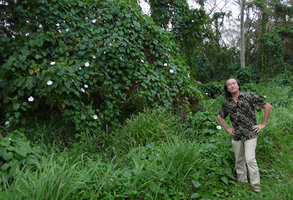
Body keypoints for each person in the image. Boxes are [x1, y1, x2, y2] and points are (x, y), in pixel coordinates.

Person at [217, 77, 272, 193]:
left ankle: (256, 186)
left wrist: (263, 124)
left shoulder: (249, 96)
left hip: (250, 134)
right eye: (229, 85)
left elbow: (267, 106)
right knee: (239, 160)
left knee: (250, 159)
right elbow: (219, 116)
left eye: (234, 83)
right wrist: (227, 128)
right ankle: (242, 182)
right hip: (236, 135)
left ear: (238, 85)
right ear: (227, 89)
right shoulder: (227, 103)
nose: (232, 85)